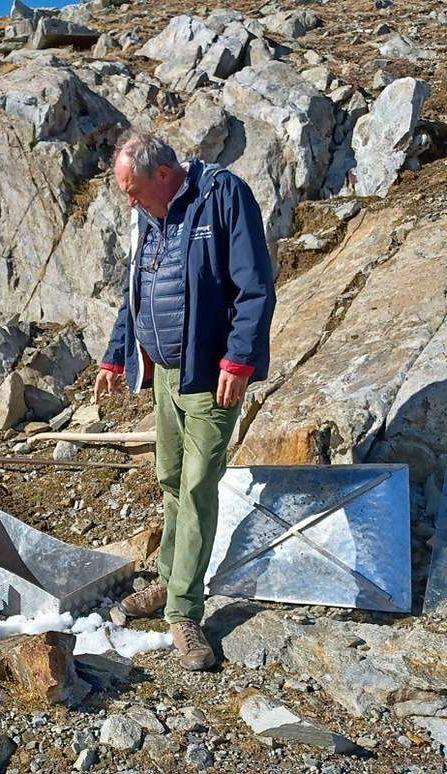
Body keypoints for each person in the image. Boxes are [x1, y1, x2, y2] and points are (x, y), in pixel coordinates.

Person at [94, 130, 276, 671]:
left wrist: (239, 361)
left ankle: (184, 612)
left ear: (164, 175)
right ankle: (173, 583)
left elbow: (255, 287)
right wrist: (115, 354)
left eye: (132, 189)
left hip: (211, 373)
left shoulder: (222, 195)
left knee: (197, 485)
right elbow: (137, 293)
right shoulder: (149, 215)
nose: (128, 200)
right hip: (166, 375)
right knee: (172, 477)